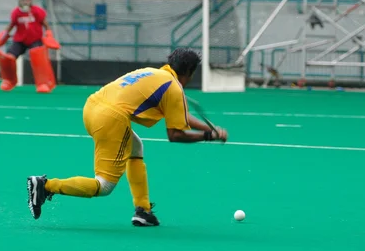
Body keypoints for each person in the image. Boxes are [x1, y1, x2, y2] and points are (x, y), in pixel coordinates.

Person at [25, 47, 228, 226]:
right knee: (103, 186)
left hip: (91, 107)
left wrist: (210, 130)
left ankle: (143, 211)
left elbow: (180, 116)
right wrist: (208, 136)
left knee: (136, 147)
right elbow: (175, 135)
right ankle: (46, 186)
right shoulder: (174, 88)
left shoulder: (153, 73)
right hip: (111, 118)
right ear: (189, 72)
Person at [0, 0, 60, 93]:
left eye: (27, 0)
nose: (25, 2)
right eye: (23, 0)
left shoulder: (37, 11)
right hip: (20, 40)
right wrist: (2, 37)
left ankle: (43, 83)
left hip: (35, 39)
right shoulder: (16, 13)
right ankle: (9, 81)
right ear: (19, 1)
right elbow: (11, 26)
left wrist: (49, 35)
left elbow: (45, 25)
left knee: (38, 58)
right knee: (8, 57)